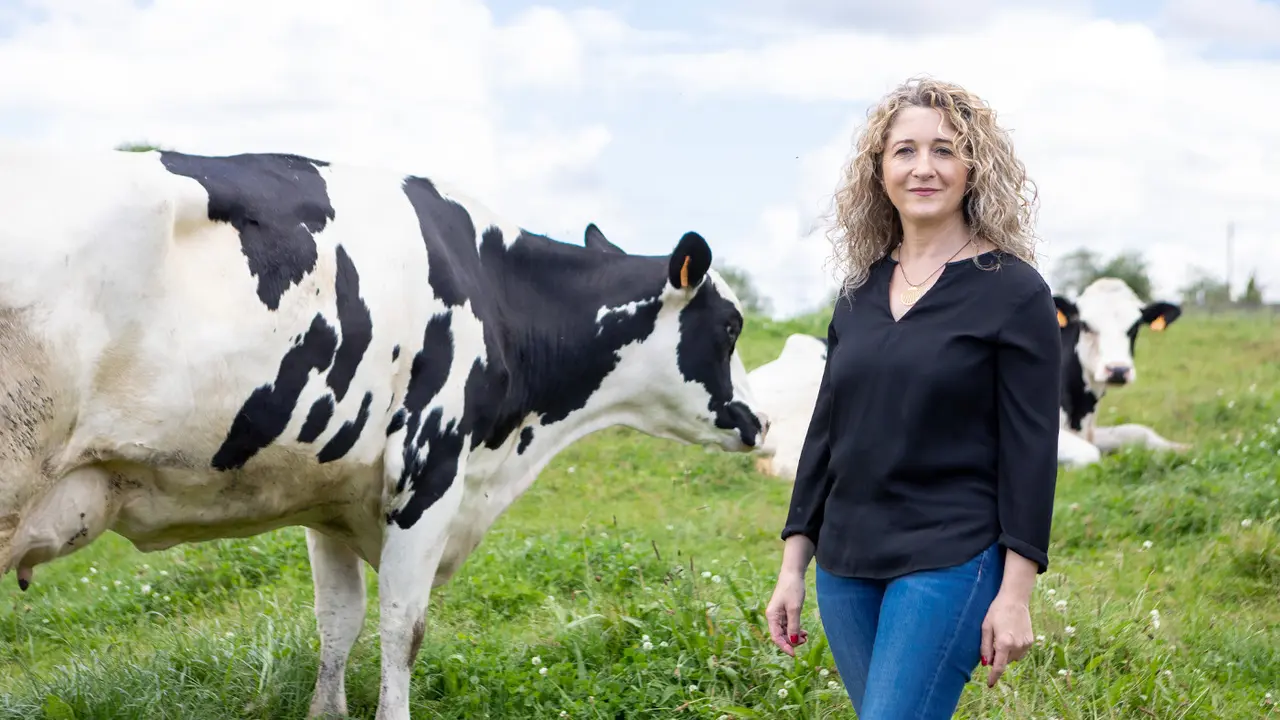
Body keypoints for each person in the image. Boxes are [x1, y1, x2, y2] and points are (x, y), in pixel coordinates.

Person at [765, 76, 1061, 719]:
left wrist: (1016, 592)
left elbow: (1032, 452)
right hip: (844, 568)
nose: (923, 167)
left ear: (974, 168)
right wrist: (794, 566)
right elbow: (825, 436)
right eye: (904, 151)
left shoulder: (1014, 292)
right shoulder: (858, 293)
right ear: (879, 170)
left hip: (949, 558)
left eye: (945, 150)